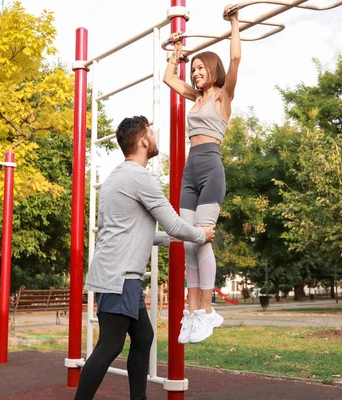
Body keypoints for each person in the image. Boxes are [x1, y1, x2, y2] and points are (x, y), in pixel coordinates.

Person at [74, 116, 215, 400]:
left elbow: (137, 232)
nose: (155, 137)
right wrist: (201, 235)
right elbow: (174, 223)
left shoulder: (117, 176)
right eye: (152, 132)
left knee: (143, 337)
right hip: (119, 276)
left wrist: (174, 238)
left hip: (121, 276)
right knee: (110, 345)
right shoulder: (140, 178)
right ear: (142, 141)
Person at [162, 4, 241, 344]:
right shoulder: (194, 97)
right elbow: (168, 78)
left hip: (211, 168)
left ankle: (207, 310)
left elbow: (236, 61)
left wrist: (235, 22)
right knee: (187, 241)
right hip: (189, 169)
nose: (194, 73)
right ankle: (192, 312)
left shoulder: (222, 97)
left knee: (201, 236)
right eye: (192, 69)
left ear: (212, 70)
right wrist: (176, 53)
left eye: (199, 68)